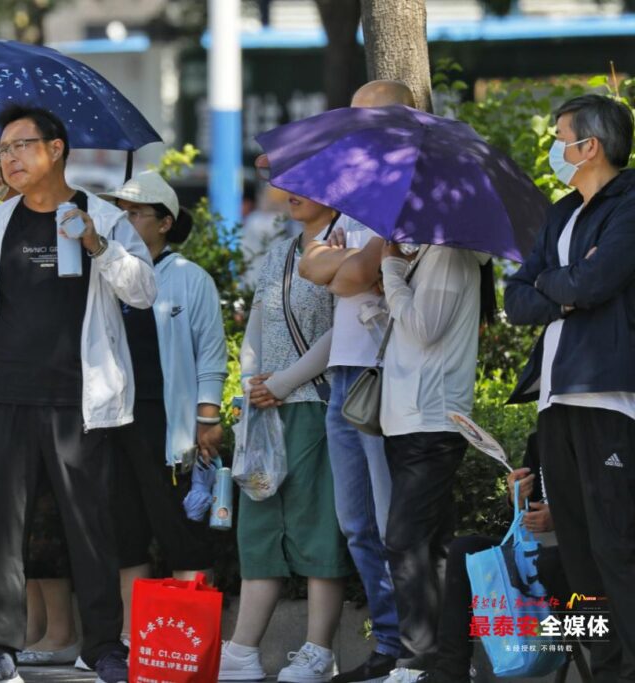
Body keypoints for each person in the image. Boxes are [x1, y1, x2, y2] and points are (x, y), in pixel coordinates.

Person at [0, 104, 156, 683]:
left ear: (55, 149)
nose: (8, 159)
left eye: (20, 146)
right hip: (5, 394)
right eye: (2, 149)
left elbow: (144, 292)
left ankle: (105, 646)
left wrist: (100, 244)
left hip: (78, 400)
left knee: (89, 524)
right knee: (1, 528)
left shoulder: (101, 214)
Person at [504, 93, 635, 681]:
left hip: (608, 398)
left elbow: (600, 277)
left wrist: (558, 285)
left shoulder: (630, 203)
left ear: (592, 146)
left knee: (618, 548)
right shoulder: (561, 212)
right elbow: (516, 298)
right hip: (554, 401)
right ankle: (603, 671)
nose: (555, 148)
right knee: (579, 554)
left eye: (562, 138)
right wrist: (567, 286)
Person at [297, 79, 416, 683]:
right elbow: (312, 264)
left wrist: (344, 264)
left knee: (395, 522)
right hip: (345, 372)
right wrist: (348, 263)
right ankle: (390, 642)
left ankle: (412, 648)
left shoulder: (415, 193)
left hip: (388, 374)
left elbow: (348, 275)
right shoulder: (354, 197)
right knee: (357, 525)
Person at [220, 191, 354, 683]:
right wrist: (253, 378)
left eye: (308, 184)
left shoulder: (347, 242)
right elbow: (257, 320)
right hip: (263, 408)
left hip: (314, 404)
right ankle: (242, 650)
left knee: (317, 526)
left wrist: (284, 381)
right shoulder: (279, 250)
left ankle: (319, 651)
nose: (293, 193)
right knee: (258, 526)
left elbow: (346, 329)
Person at [99, 170, 227, 638]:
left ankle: (191, 643)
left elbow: (212, 356)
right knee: (125, 530)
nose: (125, 220)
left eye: (135, 213)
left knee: (180, 529)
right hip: (116, 421)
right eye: (120, 212)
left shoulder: (191, 279)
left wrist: (207, 418)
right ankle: (135, 640)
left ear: (166, 222)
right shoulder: (107, 276)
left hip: (169, 427)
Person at [378, 233, 491, 679]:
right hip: (413, 418)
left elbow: (425, 328)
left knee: (404, 542)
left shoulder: (447, 253)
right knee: (433, 548)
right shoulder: (433, 252)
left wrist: (390, 269)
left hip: (430, 420)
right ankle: (449, 664)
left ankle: (419, 657)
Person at [415, 434, 570, 683]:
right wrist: (516, 497)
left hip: (584, 555)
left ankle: (609, 659)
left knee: (549, 563)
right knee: (466, 549)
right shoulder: (539, 440)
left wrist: (562, 517)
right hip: (537, 553)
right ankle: (450, 673)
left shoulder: (602, 430)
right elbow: (522, 517)